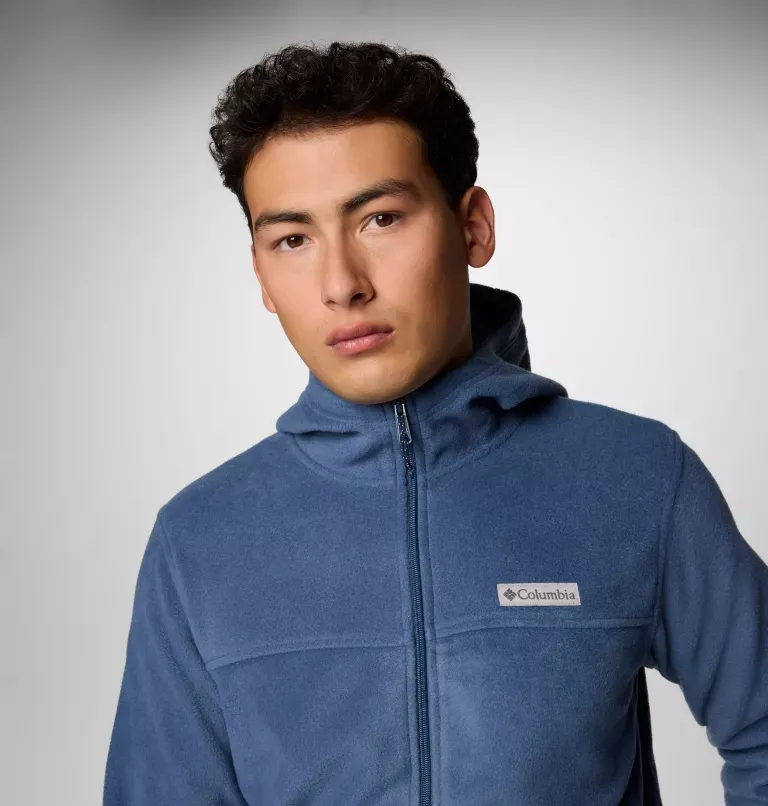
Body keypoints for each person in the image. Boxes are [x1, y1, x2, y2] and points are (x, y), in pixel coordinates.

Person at [103, 41, 768, 805]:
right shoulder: (199, 539)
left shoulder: (637, 477)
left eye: (380, 218)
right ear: (261, 273)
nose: (341, 284)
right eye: (293, 239)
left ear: (473, 226)